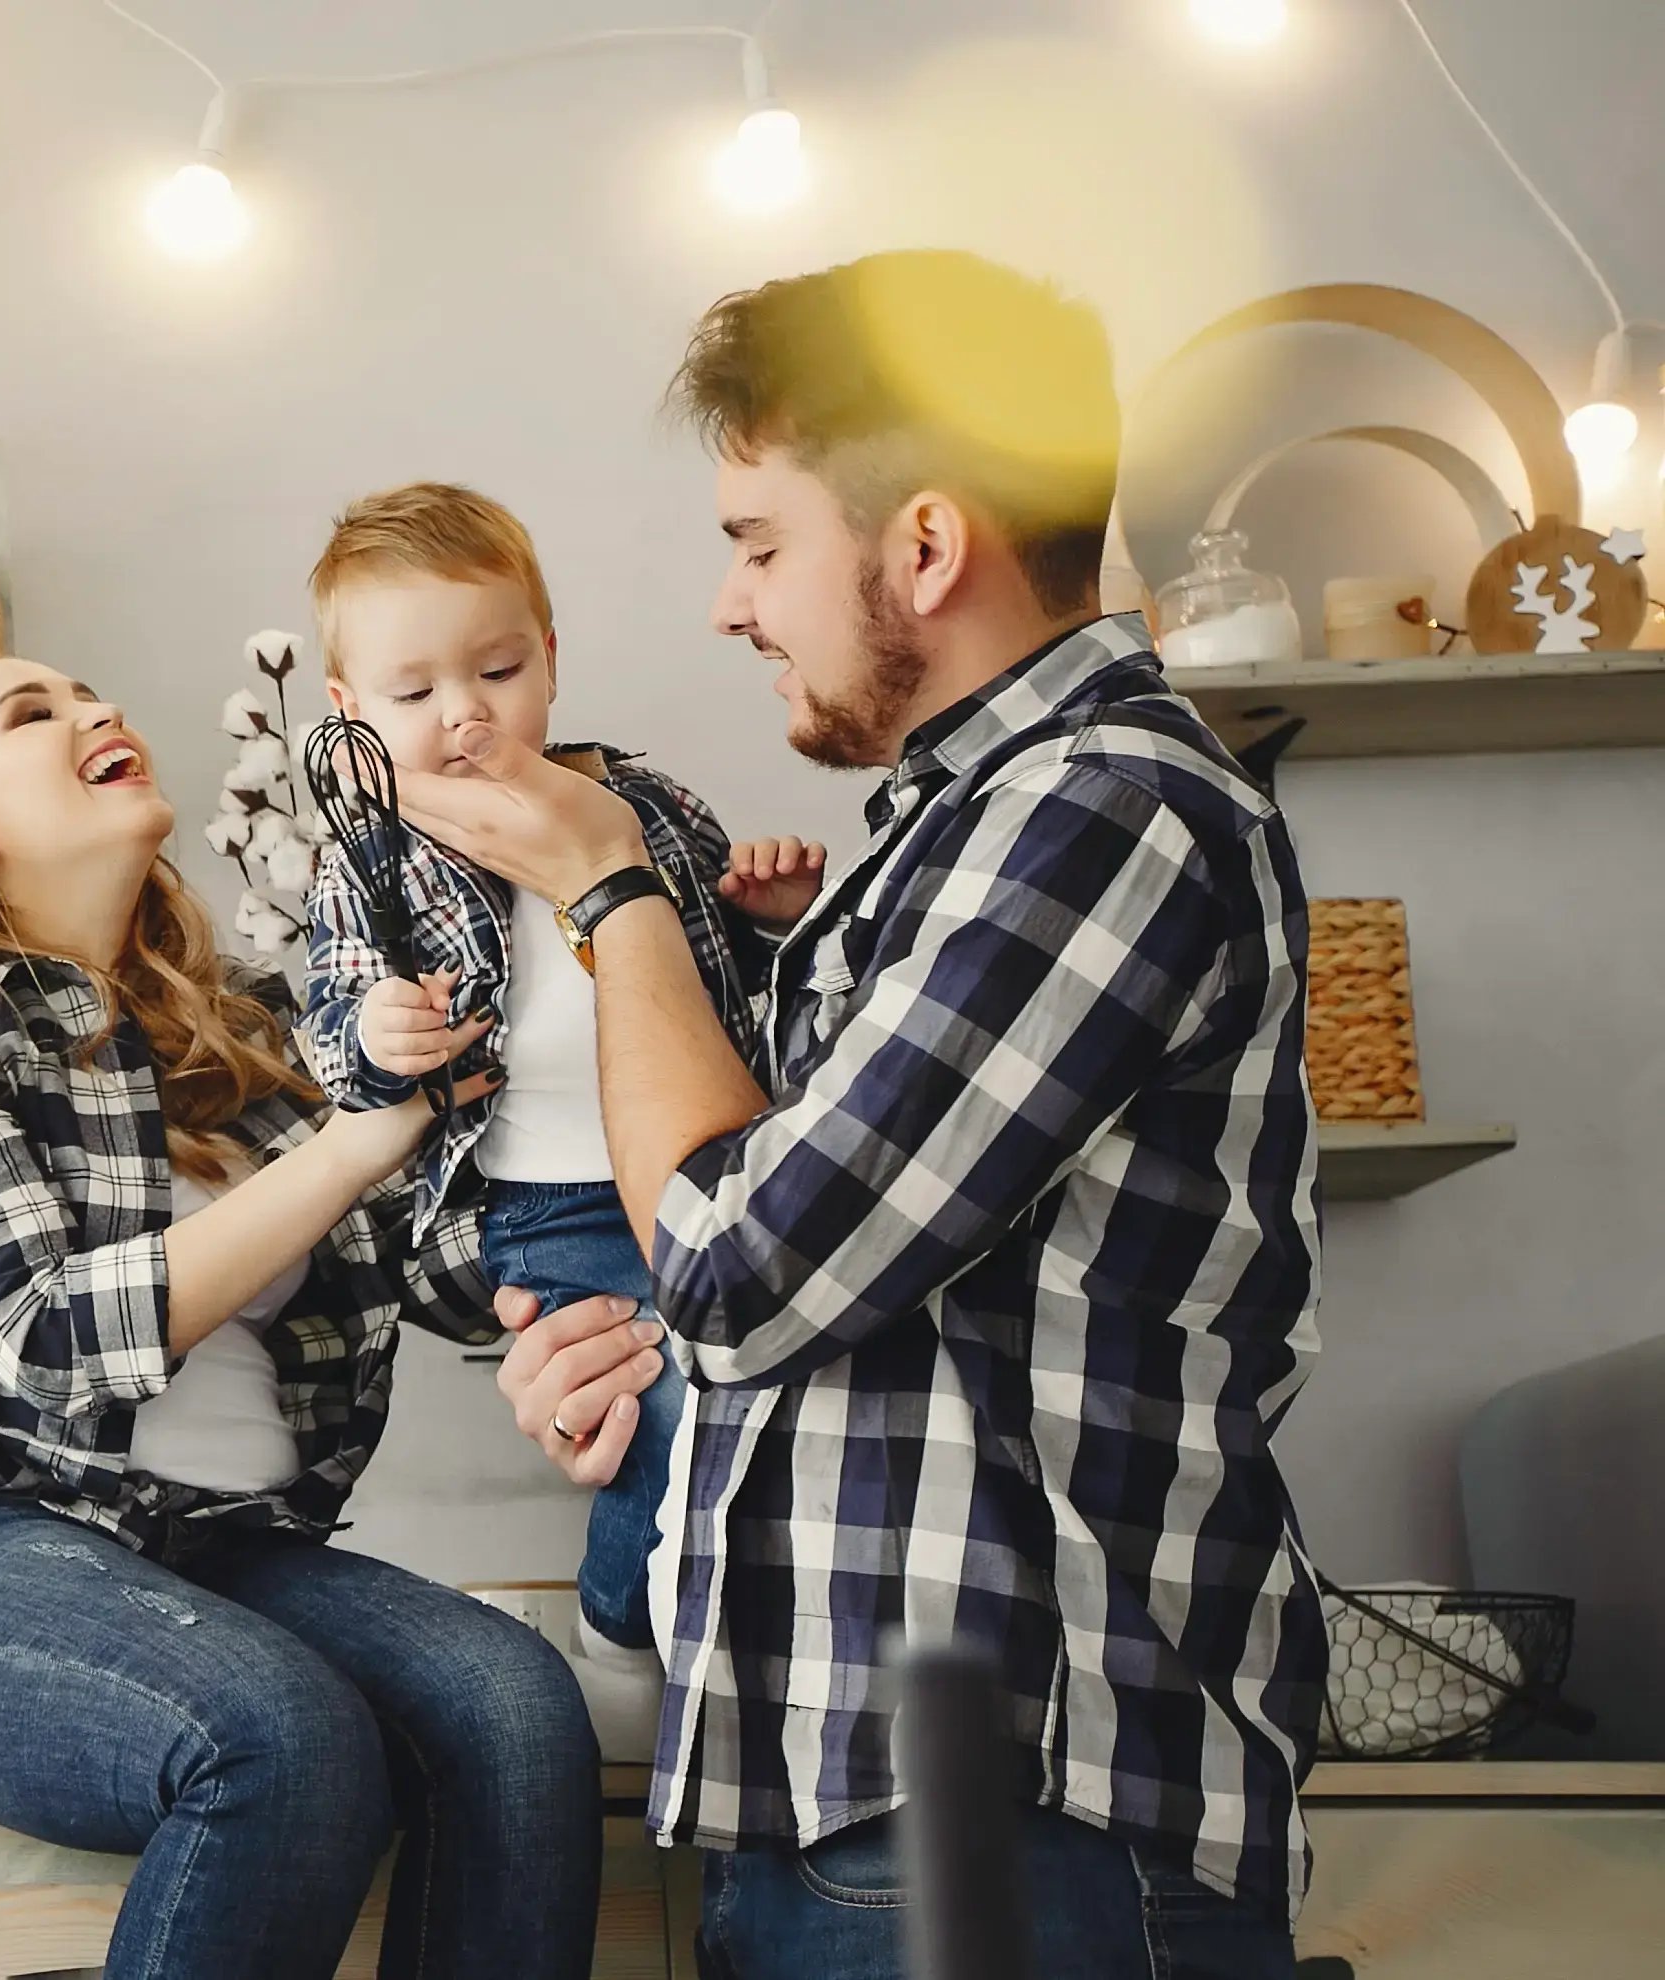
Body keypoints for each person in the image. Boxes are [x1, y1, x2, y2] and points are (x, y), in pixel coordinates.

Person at [404, 250, 1326, 1980]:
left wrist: (614, 892)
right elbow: (837, 1298)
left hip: (1008, 1825)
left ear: (923, 543)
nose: (730, 606)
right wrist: (647, 1371)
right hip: (857, 1813)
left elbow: (747, 1259)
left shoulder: (1107, 809)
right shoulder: (958, 830)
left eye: (757, 543)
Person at [0, 653, 600, 1980]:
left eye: (96, 692)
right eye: (34, 713)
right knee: (280, 1732)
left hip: (208, 1556)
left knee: (516, 1710)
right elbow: (44, 1336)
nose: (99, 711)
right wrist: (359, 1142)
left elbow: (445, 1273)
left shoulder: (245, 1046)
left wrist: (536, 1004)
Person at [288, 481, 824, 1659]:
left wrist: (776, 918)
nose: (464, 716)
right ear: (348, 708)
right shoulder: (371, 861)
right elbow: (323, 1020)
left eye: (496, 672)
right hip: (546, 1206)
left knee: (760, 1402)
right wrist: (378, 1039)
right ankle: (623, 1616)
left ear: (550, 658)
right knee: (661, 1406)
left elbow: (735, 983)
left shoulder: (639, 806)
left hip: (704, 1171)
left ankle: (732, 1636)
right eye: (414, 693)